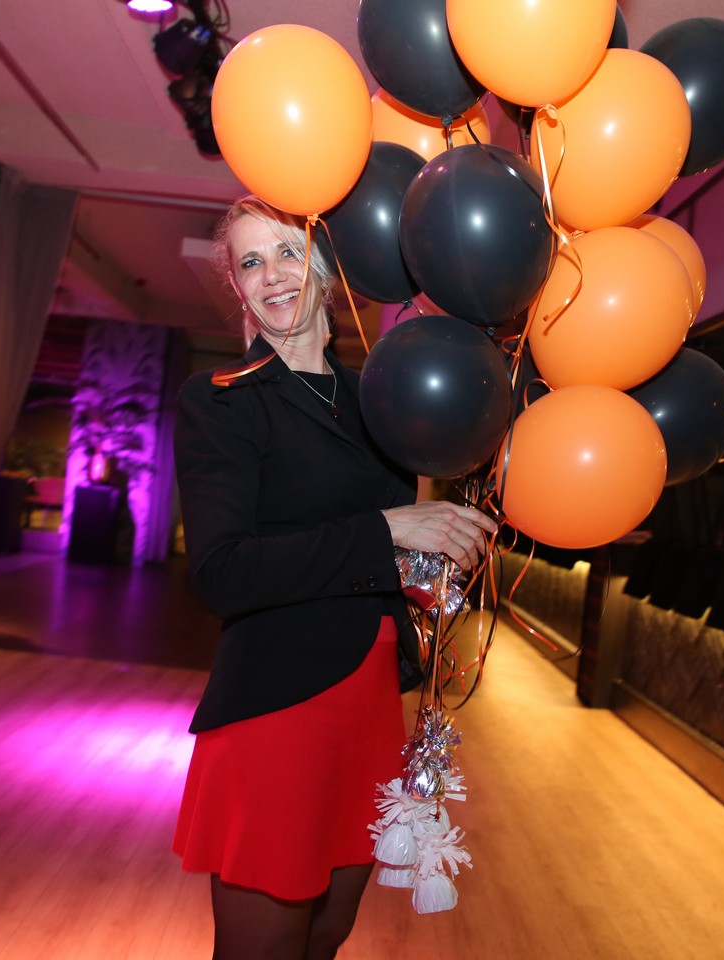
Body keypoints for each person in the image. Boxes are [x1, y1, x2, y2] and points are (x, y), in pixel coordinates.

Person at [172, 196, 496, 960]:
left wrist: (440, 551)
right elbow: (222, 573)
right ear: (236, 286)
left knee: (326, 937)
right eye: (250, 262)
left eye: (287, 252)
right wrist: (389, 531)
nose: (271, 275)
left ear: (325, 266)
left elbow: (382, 551)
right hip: (278, 703)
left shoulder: (380, 401)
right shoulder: (224, 401)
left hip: (370, 698)